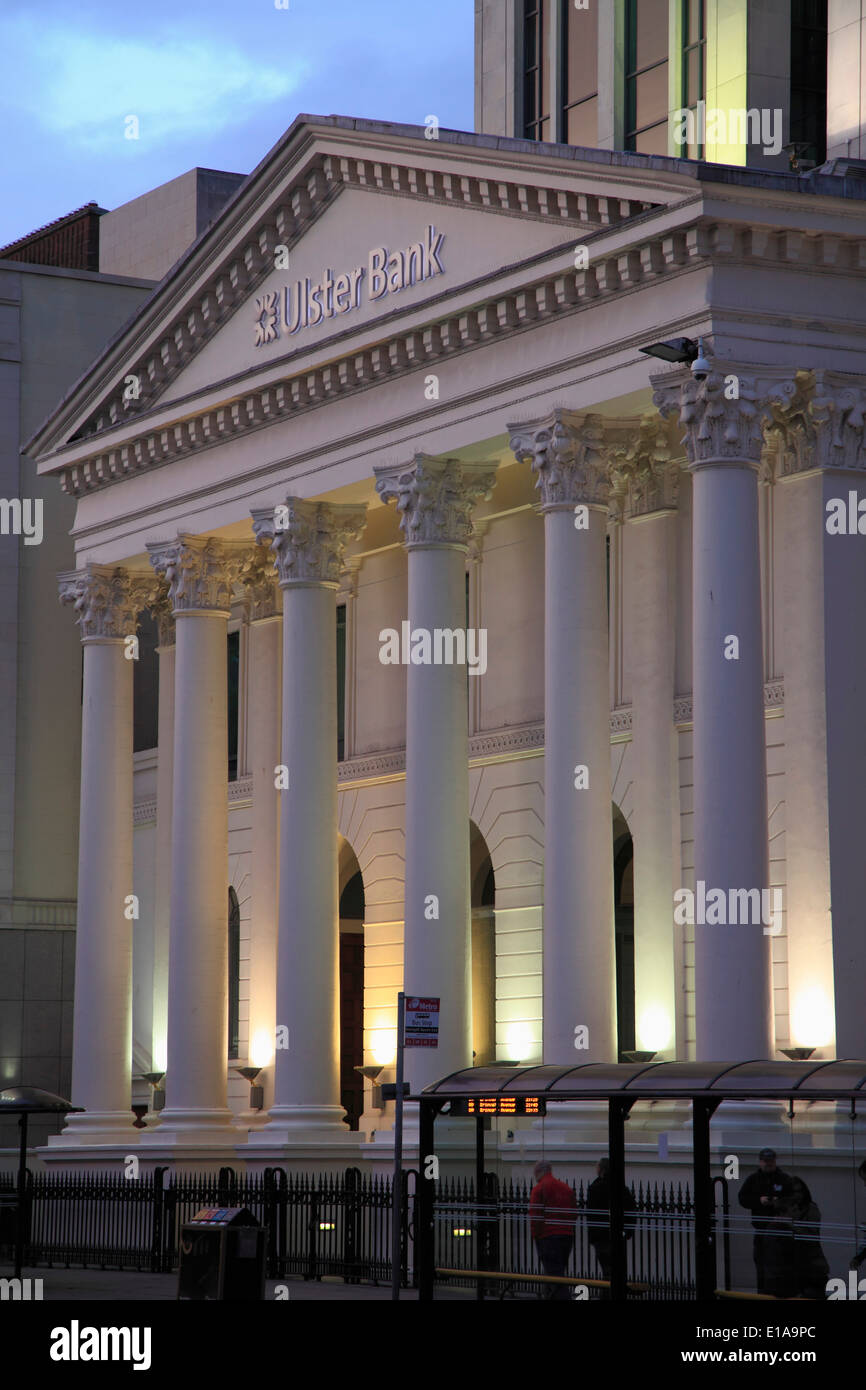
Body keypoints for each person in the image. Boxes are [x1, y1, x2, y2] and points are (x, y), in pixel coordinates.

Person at [737, 1148, 794, 1294]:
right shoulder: (753, 1179)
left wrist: (778, 1202)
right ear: (760, 1162)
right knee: (762, 1265)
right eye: (765, 1161)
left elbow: (793, 1199)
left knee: (781, 1265)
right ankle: (762, 1293)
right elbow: (742, 1199)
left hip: (782, 1231)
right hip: (762, 1230)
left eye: (771, 1161)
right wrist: (759, 1201)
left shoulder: (784, 1179)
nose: (768, 1164)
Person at [585, 1157, 637, 1294]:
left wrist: (593, 1236)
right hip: (619, 1236)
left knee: (607, 1272)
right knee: (618, 1270)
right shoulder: (622, 1187)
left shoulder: (596, 1187)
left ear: (601, 1170)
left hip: (601, 1236)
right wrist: (628, 1232)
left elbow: (591, 1213)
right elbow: (631, 1210)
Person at [529, 1160, 577, 1299]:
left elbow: (536, 1216)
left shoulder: (539, 1189)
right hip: (566, 1236)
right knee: (557, 1274)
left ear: (538, 1172)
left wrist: (536, 1235)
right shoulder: (566, 1188)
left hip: (547, 1236)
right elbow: (574, 1213)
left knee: (555, 1279)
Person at [783, 1177, 830, 1299]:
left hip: (813, 1267)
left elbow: (812, 1237)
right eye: (793, 1192)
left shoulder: (811, 1208)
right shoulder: (789, 1209)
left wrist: (791, 1226)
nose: (797, 1195)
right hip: (796, 1266)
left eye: (799, 1191)